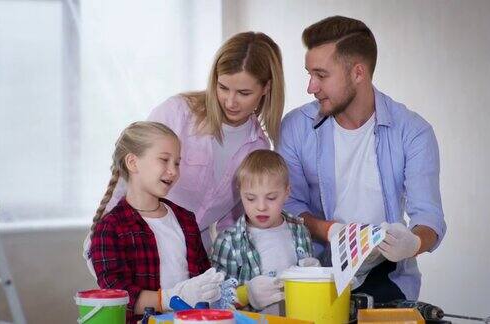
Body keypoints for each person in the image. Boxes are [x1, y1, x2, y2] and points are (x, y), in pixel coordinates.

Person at [277, 16, 446, 302]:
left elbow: (429, 217)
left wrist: (413, 242)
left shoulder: (414, 132)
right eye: (309, 74)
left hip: (387, 278)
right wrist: (332, 232)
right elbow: (289, 207)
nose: (311, 87)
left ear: (358, 73)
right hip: (314, 272)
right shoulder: (295, 127)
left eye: (321, 75)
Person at [105, 32, 285, 250]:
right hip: (139, 243)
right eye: (223, 87)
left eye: (244, 93)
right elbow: (128, 178)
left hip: (196, 255)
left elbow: (233, 221)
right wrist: (102, 240)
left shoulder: (258, 147)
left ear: (266, 88)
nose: (230, 102)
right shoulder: (178, 112)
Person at [86, 122, 223, 323]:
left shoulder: (186, 219)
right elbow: (118, 297)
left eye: (177, 163)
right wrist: (168, 299)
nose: (173, 171)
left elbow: (204, 282)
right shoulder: (110, 228)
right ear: (133, 162)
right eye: (164, 160)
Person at [210, 150, 319, 315]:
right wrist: (246, 294)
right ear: (240, 193)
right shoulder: (228, 242)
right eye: (251, 198)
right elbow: (215, 302)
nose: (261, 207)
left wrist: (317, 276)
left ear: (287, 192)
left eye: (271, 197)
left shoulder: (300, 232)